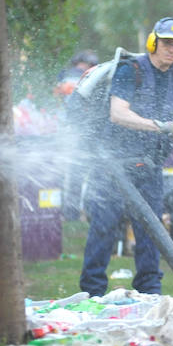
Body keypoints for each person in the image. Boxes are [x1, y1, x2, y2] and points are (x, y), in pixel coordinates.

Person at [79, 17, 173, 296]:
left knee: (149, 231)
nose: (171, 49)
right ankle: (92, 292)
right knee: (104, 227)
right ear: (153, 42)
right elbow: (118, 113)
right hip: (112, 165)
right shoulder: (131, 70)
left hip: (149, 167)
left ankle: (150, 291)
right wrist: (160, 126)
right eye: (166, 43)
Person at [55, 50, 99, 220]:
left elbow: (59, 100)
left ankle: (69, 213)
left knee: (69, 175)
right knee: (87, 175)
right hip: (82, 133)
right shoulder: (89, 76)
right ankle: (84, 212)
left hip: (65, 132)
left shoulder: (64, 76)